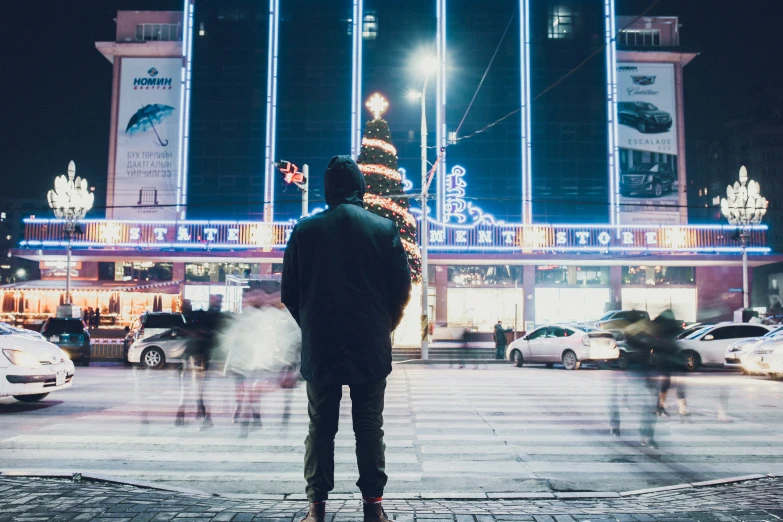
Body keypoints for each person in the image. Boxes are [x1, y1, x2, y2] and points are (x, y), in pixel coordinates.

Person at [282, 155, 411, 522]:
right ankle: (373, 507)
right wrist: (384, 325)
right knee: (369, 426)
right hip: (369, 344)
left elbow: (290, 292)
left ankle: (315, 508)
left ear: (327, 190)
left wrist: (311, 324)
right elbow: (401, 290)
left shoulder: (305, 231)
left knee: (320, 427)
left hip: (322, 345)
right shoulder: (383, 229)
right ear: (361, 187)